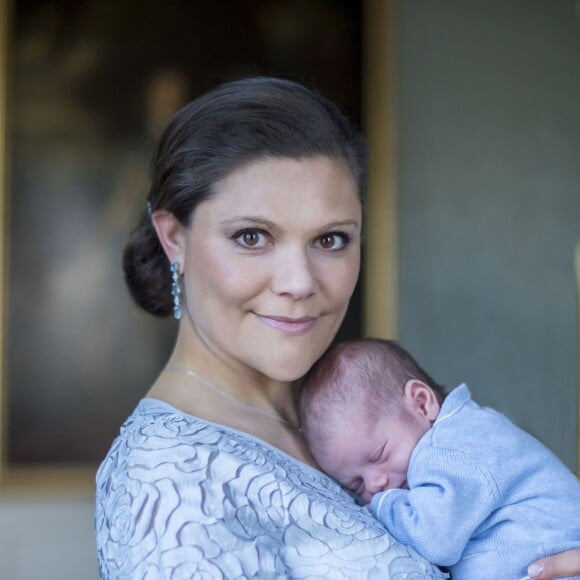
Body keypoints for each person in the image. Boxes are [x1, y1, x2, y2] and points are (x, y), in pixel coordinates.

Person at [94, 75, 580, 580]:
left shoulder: (357, 414)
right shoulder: (167, 483)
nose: (300, 282)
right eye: (252, 236)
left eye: (330, 240)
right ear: (174, 237)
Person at [299, 338, 580, 580]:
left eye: (379, 454)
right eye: (356, 484)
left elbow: (435, 540)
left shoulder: (451, 448)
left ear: (422, 403)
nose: (376, 483)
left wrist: (381, 507)